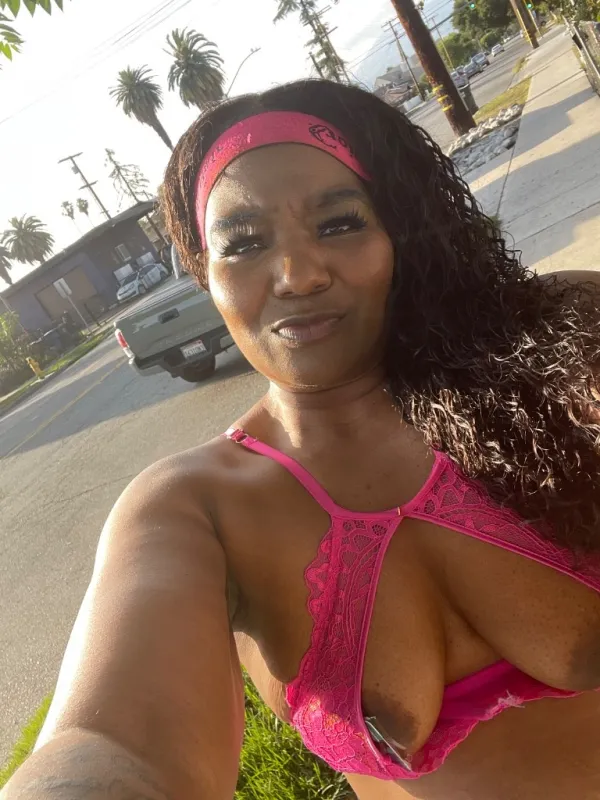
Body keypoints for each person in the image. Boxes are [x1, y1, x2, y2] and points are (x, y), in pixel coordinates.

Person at [3, 80, 600, 800]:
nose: (297, 275)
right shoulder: (198, 507)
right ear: (205, 274)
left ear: (397, 230)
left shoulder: (557, 346)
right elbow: (109, 744)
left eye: (340, 224)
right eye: (244, 244)